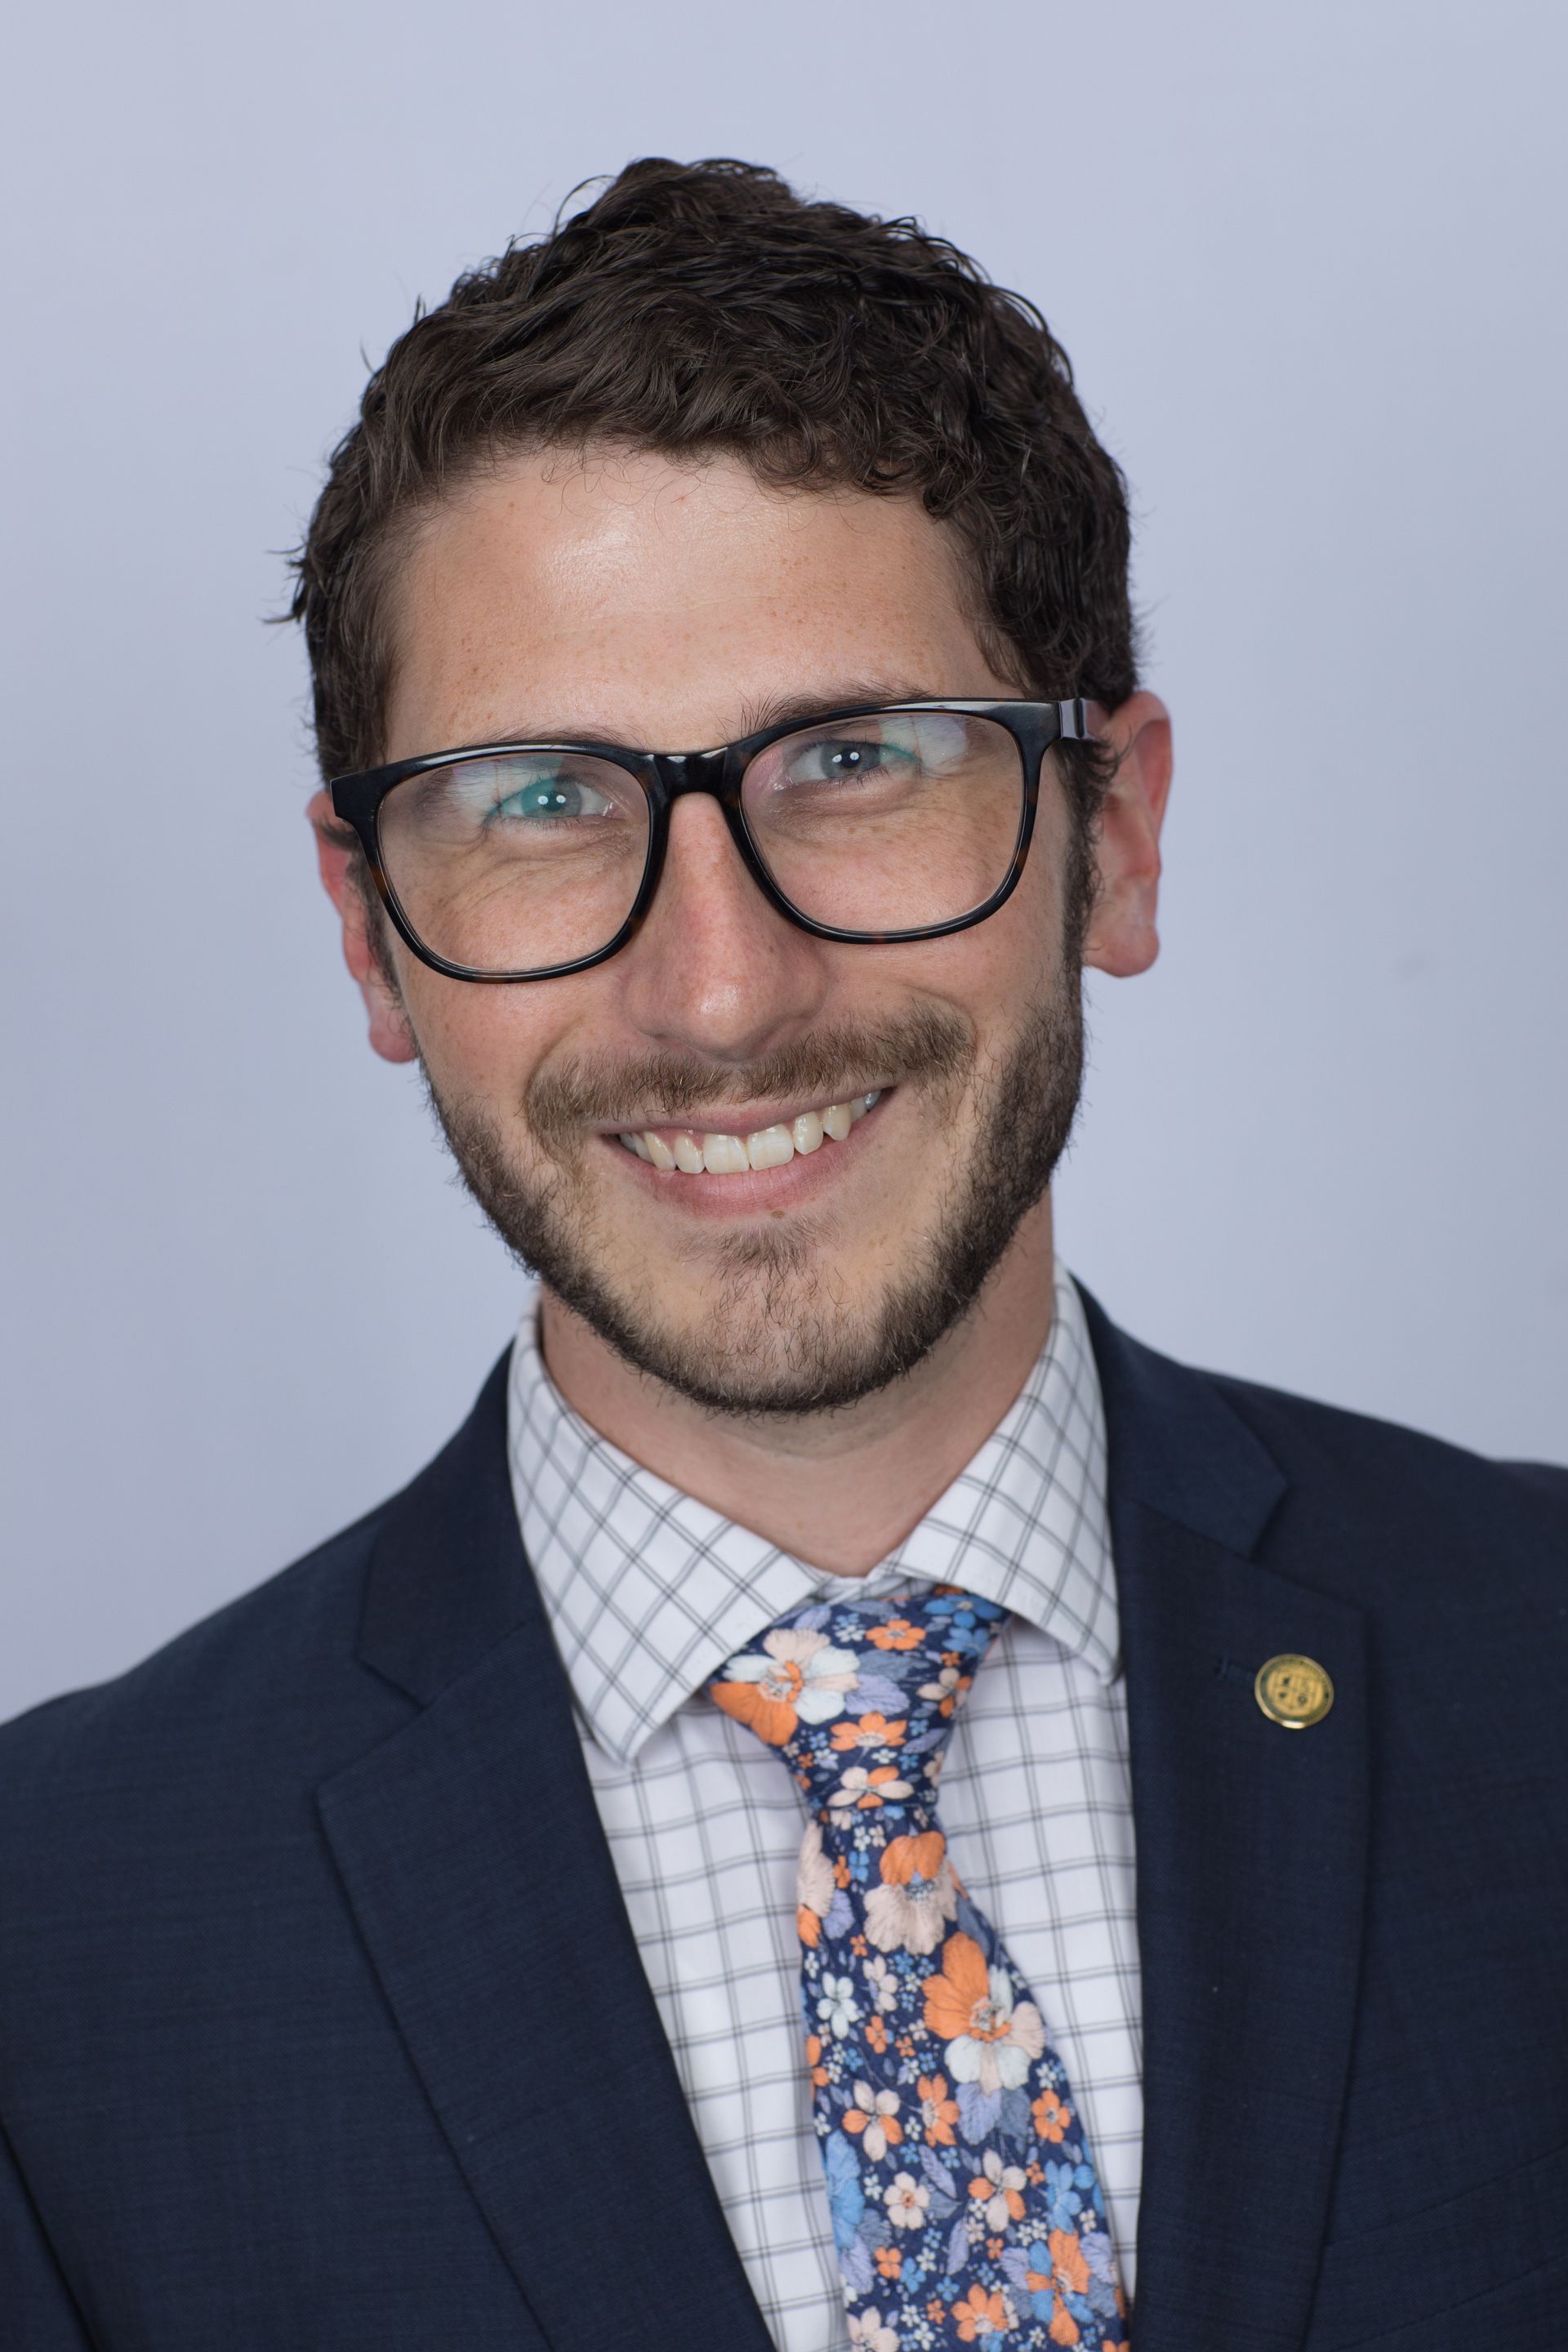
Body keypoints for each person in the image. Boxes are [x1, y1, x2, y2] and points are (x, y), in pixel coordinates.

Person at [0, 157, 1562, 2352]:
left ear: (1109, 836)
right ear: (371, 935)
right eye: (541, 799)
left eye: (853, 758)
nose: (719, 996)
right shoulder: (52, 1940)